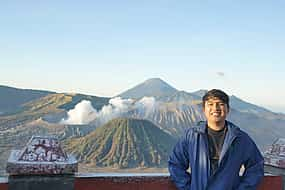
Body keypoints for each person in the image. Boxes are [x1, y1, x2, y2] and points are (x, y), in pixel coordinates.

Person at [168, 89, 264, 190]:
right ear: (204, 109)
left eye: (221, 104)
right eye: (210, 104)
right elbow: (175, 164)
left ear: (228, 109)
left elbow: (256, 166)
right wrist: (188, 187)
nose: (215, 108)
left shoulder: (240, 138)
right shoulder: (192, 136)